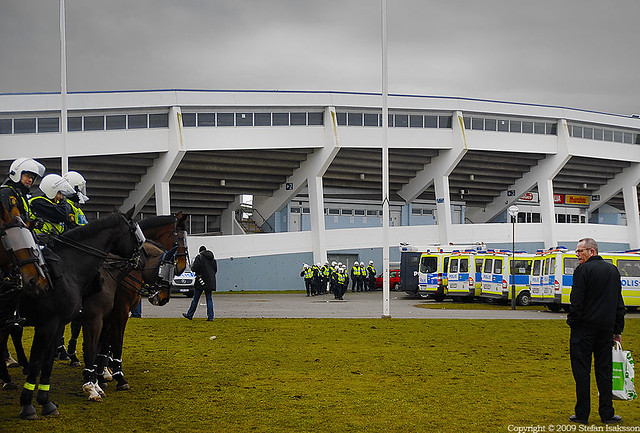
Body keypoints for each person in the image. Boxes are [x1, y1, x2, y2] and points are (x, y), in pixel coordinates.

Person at [566, 237, 625, 425]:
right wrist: (617, 330)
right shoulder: (613, 271)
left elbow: (577, 299)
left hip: (584, 329)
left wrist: (572, 321)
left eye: (580, 251)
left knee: (582, 372)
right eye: (577, 252)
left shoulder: (582, 271)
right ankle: (607, 414)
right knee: (604, 371)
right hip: (605, 330)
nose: (577, 255)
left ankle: (582, 414)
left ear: (592, 251)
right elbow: (618, 303)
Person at [183, 246, 217, 321]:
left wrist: (192, 268)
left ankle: (190, 314)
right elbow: (215, 270)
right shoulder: (212, 258)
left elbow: (195, 268)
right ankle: (210, 317)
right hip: (210, 281)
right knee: (209, 299)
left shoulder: (199, 257)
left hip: (200, 281)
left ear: (200, 251)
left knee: (195, 299)